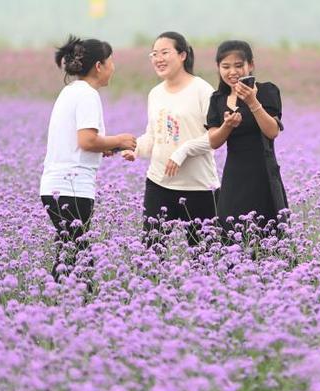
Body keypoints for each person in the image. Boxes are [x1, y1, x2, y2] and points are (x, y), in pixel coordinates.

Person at [40, 35, 137, 282]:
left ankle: (59, 308)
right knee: (77, 258)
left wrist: (105, 147)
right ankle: (72, 307)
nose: (113, 67)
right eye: (111, 61)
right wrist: (119, 140)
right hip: (72, 187)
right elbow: (87, 140)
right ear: (99, 66)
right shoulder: (87, 95)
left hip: (57, 185)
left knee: (70, 254)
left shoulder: (71, 91)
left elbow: (81, 142)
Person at [122, 32, 219, 248]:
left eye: (165, 52)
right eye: (154, 54)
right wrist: (135, 150)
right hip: (159, 183)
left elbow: (215, 135)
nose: (158, 59)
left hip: (199, 187)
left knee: (205, 255)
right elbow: (153, 135)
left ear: (182, 55)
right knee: (152, 253)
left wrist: (183, 151)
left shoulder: (202, 90)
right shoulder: (155, 94)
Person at [206, 40, 288, 240]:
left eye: (238, 65)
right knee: (231, 235)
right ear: (218, 68)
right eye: (225, 67)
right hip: (234, 179)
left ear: (251, 65)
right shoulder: (218, 99)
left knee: (269, 236)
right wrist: (227, 126)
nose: (232, 72)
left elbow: (272, 132)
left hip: (264, 176)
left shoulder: (267, 91)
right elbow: (213, 142)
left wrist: (252, 102)